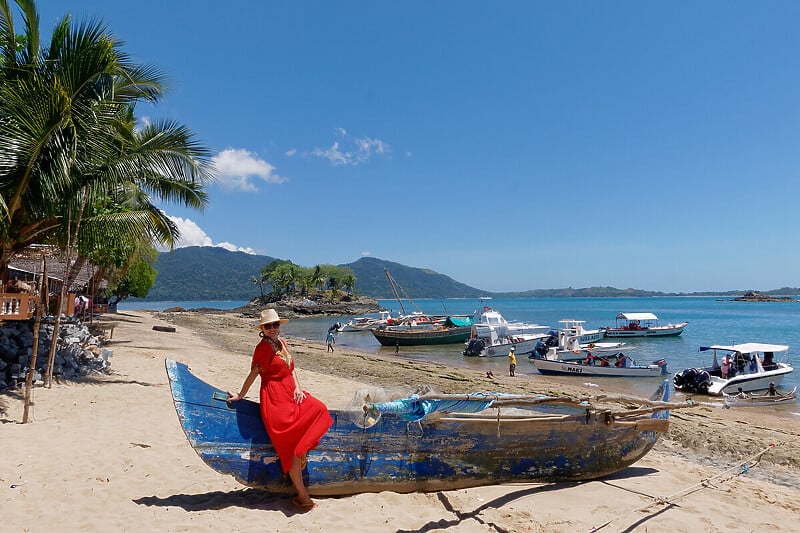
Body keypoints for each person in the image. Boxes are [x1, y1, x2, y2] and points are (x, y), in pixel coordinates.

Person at [227, 309, 333, 511]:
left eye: (275, 325)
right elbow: (253, 374)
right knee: (289, 450)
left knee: (319, 408)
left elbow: (291, 370)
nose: (273, 329)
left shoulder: (281, 343)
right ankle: (303, 496)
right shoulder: (263, 348)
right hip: (275, 400)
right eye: (268, 326)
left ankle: (302, 483)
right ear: (262, 329)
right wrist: (241, 395)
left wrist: (299, 388)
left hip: (290, 394)